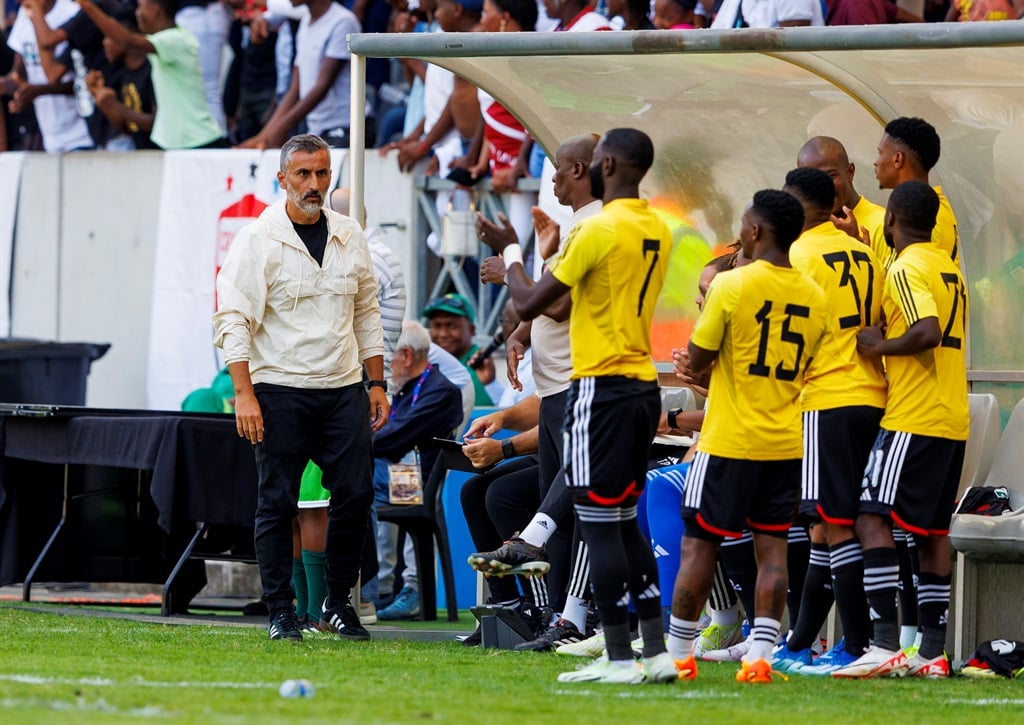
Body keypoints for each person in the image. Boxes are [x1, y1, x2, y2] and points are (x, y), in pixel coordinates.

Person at [481, 127, 676, 684]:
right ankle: (655, 653)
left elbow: (529, 301)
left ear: (605, 164)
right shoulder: (654, 225)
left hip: (601, 387)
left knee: (600, 524)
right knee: (626, 526)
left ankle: (617, 656)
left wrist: (511, 252)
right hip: (641, 385)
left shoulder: (599, 228)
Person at [213, 133, 387, 642]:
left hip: (341, 387)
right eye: (304, 174)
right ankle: (281, 611)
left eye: (323, 173)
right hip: (280, 387)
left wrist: (376, 382)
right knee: (277, 501)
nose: (314, 185)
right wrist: (244, 393)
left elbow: (366, 312)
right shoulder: (257, 239)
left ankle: (337, 603)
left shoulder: (349, 233)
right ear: (282, 179)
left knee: (355, 495)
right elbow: (232, 320)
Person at [666, 189, 827, 684]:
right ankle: (759, 656)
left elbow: (696, 358)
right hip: (785, 444)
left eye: (743, 222)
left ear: (756, 231)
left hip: (729, 441)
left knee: (699, 547)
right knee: (773, 552)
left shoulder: (731, 286)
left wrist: (700, 366)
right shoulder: (815, 296)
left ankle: (674, 655)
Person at [832, 181, 969, 679]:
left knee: (870, 517)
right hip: (951, 418)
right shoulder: (947, 266)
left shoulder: (908, 267)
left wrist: (878, 346)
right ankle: (932, 652)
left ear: (891, 220)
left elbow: (926, 332)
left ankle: (884, 642)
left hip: (913, 416)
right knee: (933, 532)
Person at [770, 167, 887, 675]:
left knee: (832, 525)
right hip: (872, 395)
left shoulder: (797, 256)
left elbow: (788, 340)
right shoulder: (865, 251)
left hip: (827, 397)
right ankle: (799, 641)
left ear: (797, 208)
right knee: (823, 528)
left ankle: (855, 645)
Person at [372, 322, 466, 621]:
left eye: (391, 359)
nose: (388, 366)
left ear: (408, 356)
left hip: (415, 484)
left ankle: (384, 589)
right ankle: (376, 589)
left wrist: (358, 443)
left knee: (355, 479)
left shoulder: (440, 391)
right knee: (353, 478)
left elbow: (393, 438)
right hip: (400, 476)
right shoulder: (408, 386)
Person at [74, 0, 227, 149]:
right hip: (179, 145)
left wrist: (88, 6)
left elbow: (127, 42)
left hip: (199, 143)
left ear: (154, 9)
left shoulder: (177, 39)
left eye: (140, 7)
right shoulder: (161, 44)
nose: (137, 13)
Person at [240, 0, 367, 149]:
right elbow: (295, 89)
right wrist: (263, 137)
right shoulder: (306, 20)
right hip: (317, 129)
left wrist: (278, 131)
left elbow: (322, 86)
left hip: (346, 127)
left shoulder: (344, 21)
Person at [3, 0, 94, 152]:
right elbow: (19, 73)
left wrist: (38, 91)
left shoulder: (72, 13)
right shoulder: (25, 13)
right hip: (49, 137)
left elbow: (82, 81)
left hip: (81, 133)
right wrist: (10, 85)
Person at [873, 116, 959, 268]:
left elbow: (916, 281)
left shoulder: (930, 215)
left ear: (897, 159)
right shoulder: (918, 208)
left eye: (880, 153)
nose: (876, 162)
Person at [796, 135, 886, 254]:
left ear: (850, 172)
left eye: (830, 176)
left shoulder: (882, 225)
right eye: (811, 181)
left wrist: (861, 252)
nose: (821, 188)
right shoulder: (806, 236)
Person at [422, 292, 496, 406]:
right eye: (437, 326)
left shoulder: (481, 366)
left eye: (452, 326)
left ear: (472, 330)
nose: (443, 334)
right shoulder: (424, 365)